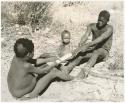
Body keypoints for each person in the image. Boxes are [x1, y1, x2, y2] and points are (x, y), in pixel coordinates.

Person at [7, 38, 73, 99]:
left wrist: (49, 59)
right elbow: (43, 71)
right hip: (20, 93)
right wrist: (55, 63)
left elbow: (32, 61)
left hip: (13, 88)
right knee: (53, 71)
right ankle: (73, 78)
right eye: (33, 51)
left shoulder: (17, 57)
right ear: (28, 54)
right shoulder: (26, 66)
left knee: (42, 60)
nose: (33, 53)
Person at [61, 10, 113, 78]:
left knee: (96, 51)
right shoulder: (92, 26)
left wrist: (87, 45)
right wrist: (81, 44)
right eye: (99, 20)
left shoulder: (109, 28)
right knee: (81, 55)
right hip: (94, 50)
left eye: (102, 21)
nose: (99, 22)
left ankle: (85, 71)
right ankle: (67, 68)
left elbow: (101, 38)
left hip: (103, 52)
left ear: (107, 20)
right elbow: (86, 35)